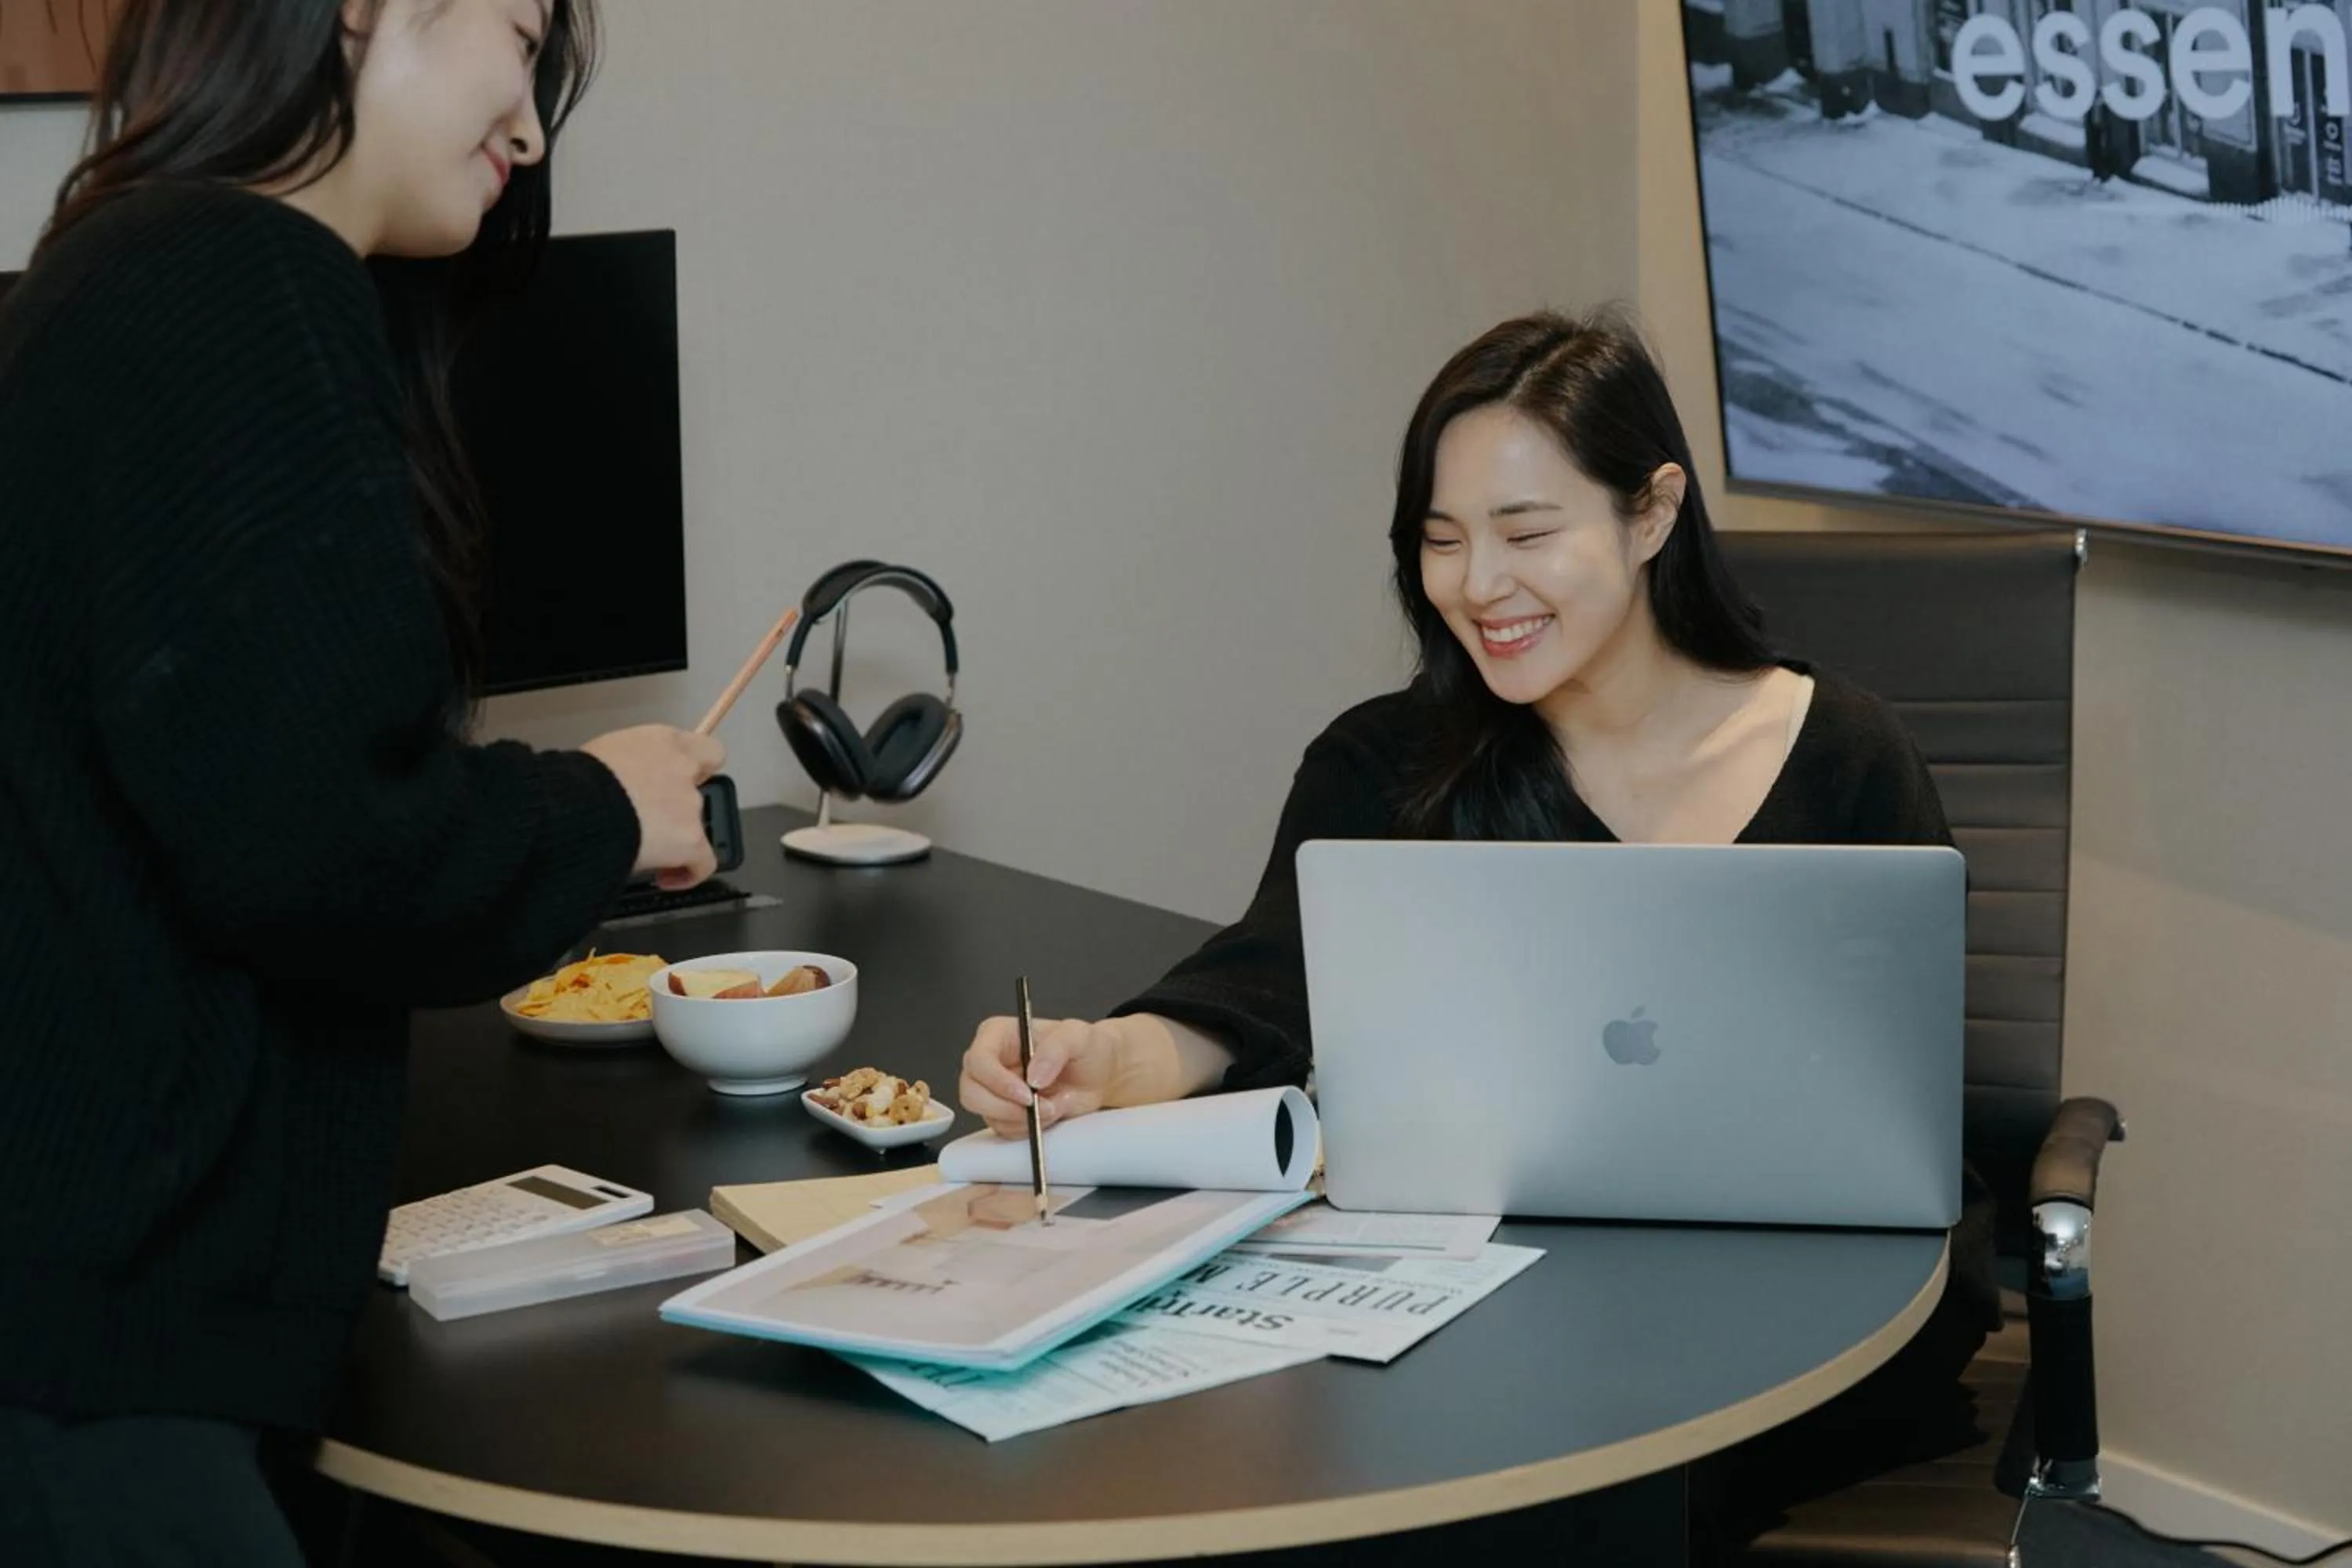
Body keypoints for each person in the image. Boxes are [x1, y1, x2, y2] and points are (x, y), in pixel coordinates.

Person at [957, 307, 2003, 1561]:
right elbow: (1262, 982)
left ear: (1652, 514)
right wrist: (1109, 1058)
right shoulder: (1388, 762)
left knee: (1571, 1477)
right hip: (1494, 1301)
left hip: (1798, 1301)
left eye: (1527, 532)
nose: (1477, 584)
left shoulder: (1842, 756)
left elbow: (1899, 1116)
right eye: (1442, 539)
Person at [0, 2, 724, 1560]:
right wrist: (602, 807)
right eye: (519, 38)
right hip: (99, 1347)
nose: (528, 125)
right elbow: (322, 840)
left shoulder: (128, 267)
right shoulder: (240, 276)